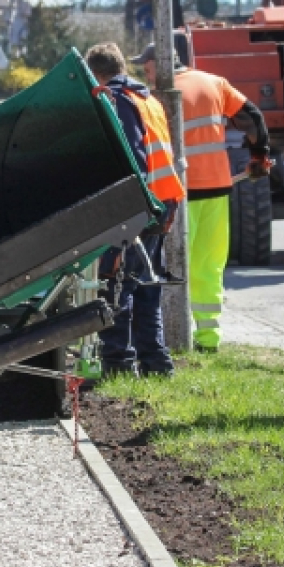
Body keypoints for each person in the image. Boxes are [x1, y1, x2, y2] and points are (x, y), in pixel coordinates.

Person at [131, 32, 270, 352]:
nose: (144, 73)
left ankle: (169, 337)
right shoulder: (215, 83)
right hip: (217, 188)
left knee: (171, 264)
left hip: (180, 193)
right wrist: (259, 156)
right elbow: (252, 117)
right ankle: (208, 338)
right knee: (209, 263)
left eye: (145, 67)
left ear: (156, 64)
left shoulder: (158, 96)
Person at [85, 42, 185, 377]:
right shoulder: (147, 99)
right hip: (161, 203)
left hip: (138, 206)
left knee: (117, 283)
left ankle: (118, 364)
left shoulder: (118, 100)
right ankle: (156, 365)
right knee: (145, 286)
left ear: (95, 73)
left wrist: (124, 211)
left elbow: (134, 160)